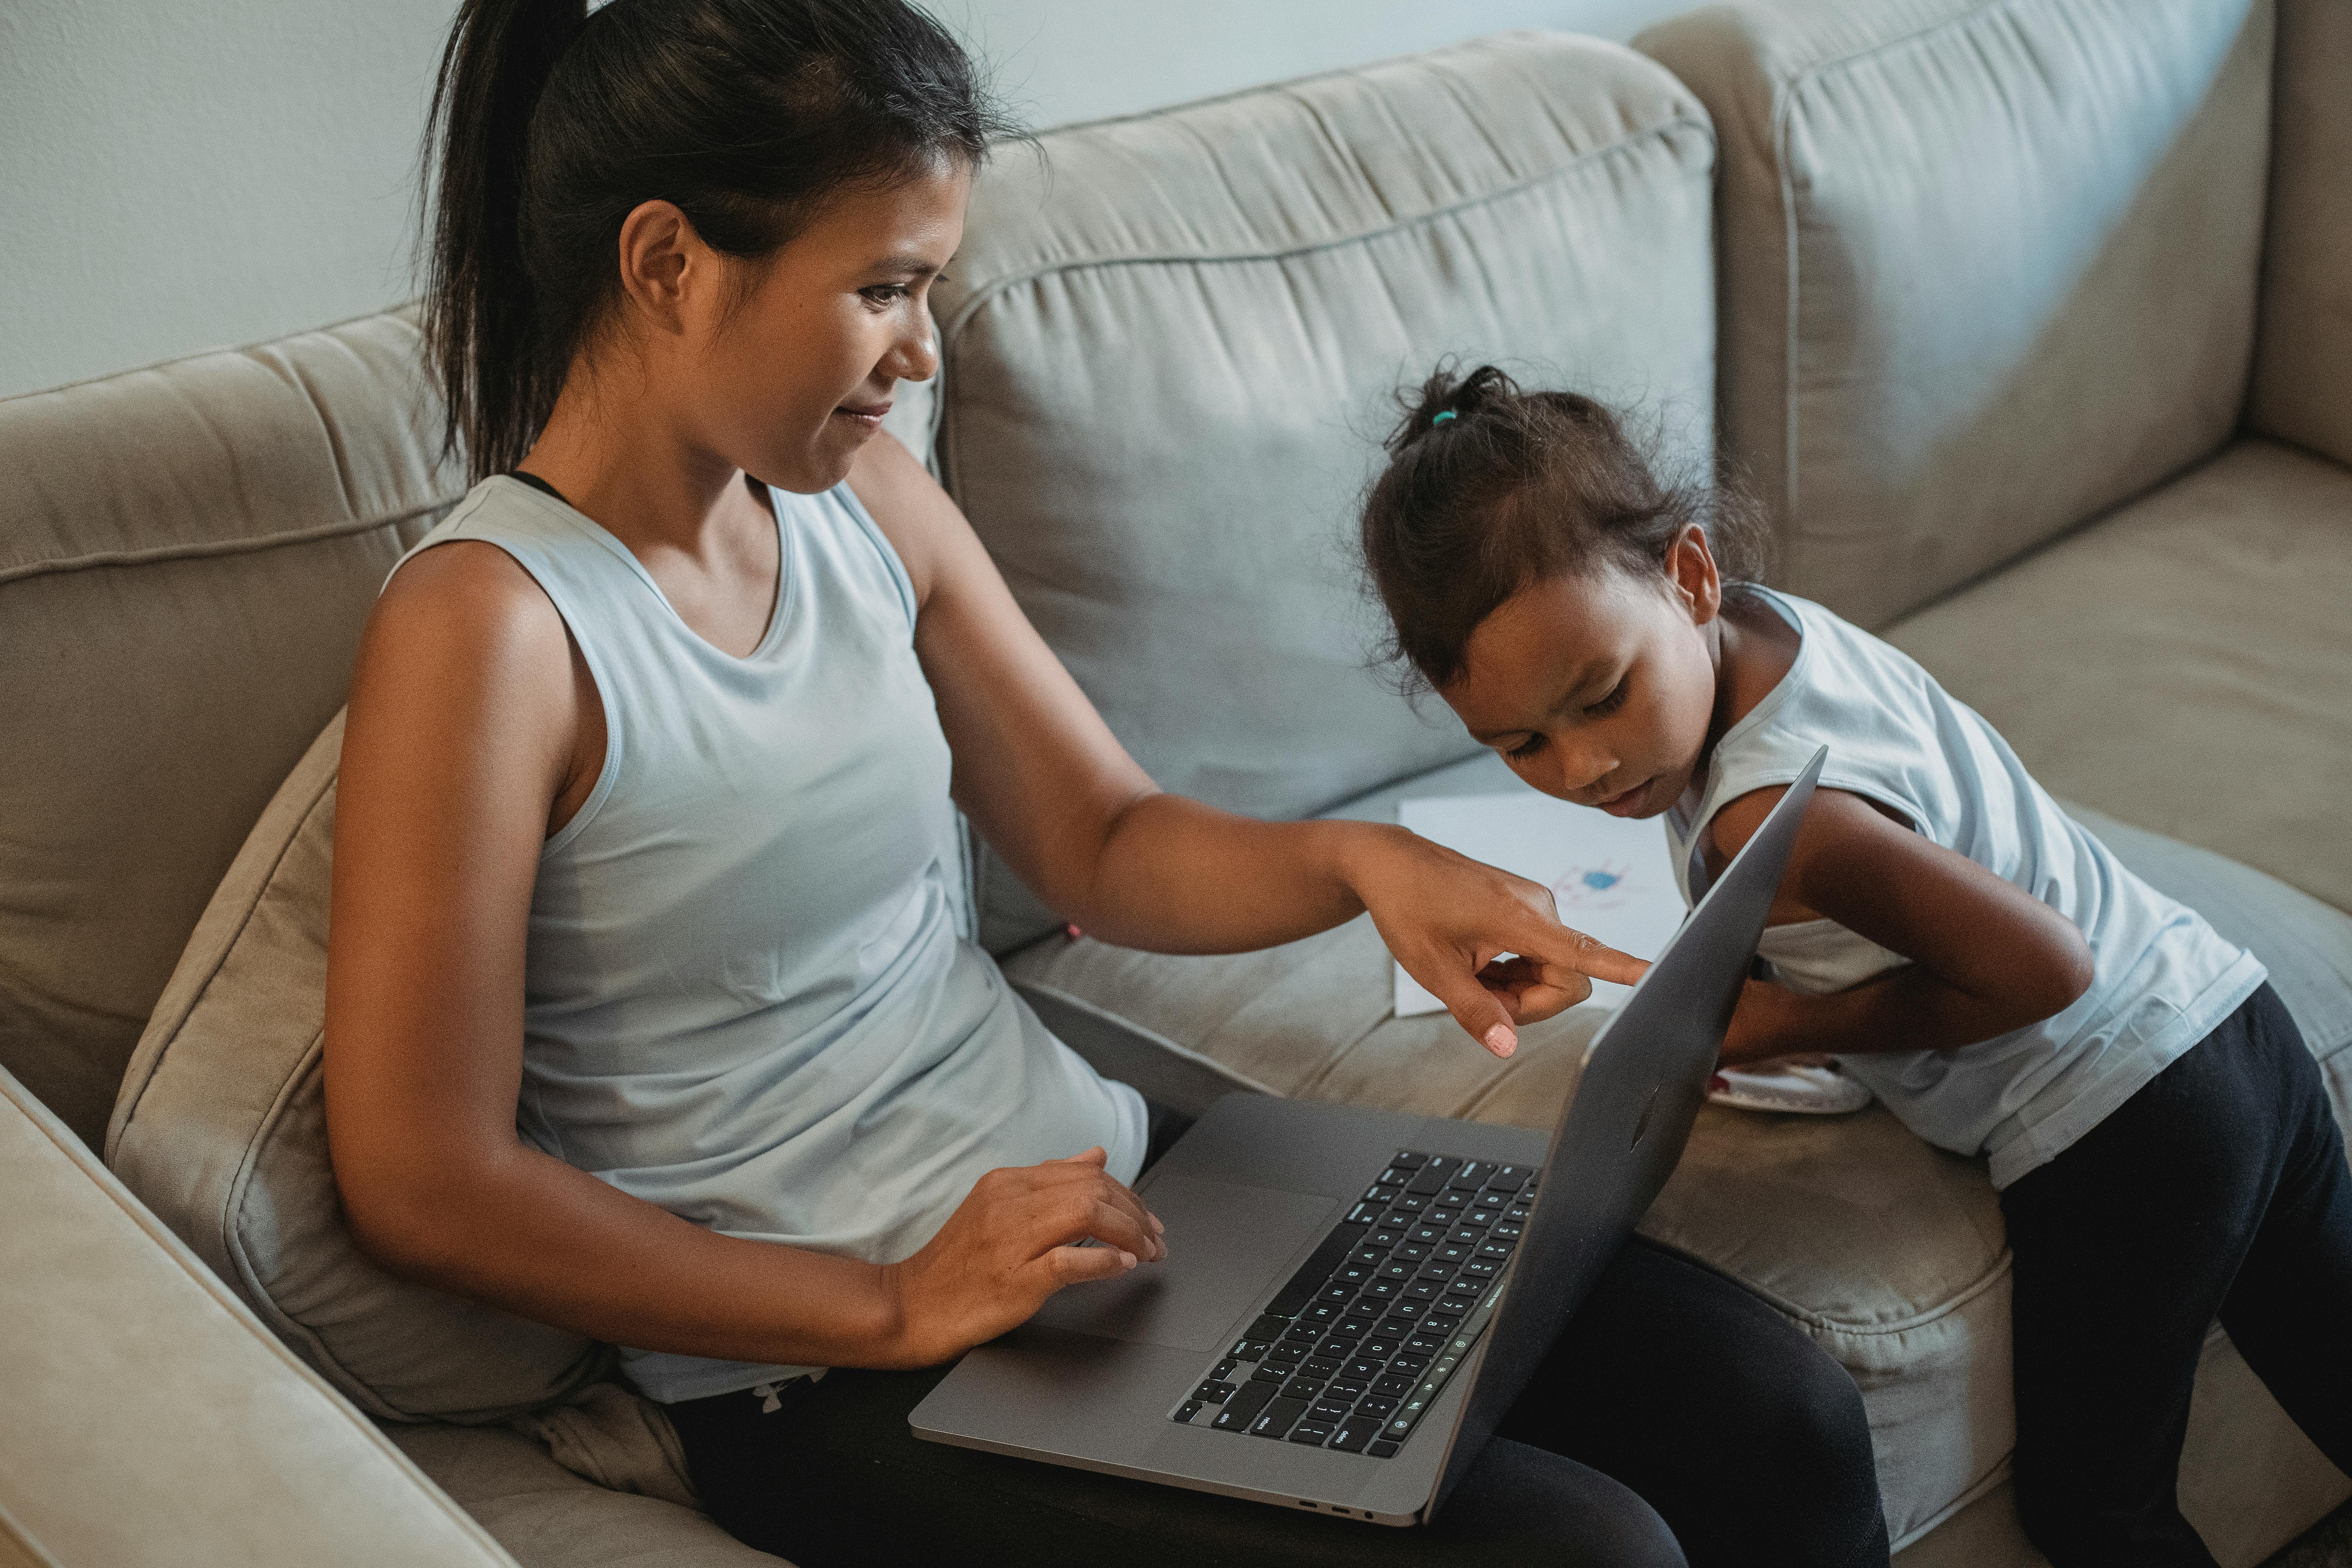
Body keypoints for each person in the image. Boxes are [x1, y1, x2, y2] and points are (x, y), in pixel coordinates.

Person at [323, 4, 1889, 1564]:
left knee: (1782, 1407)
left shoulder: (862, 494)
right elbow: (424, 1177)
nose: (922, 350)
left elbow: (1099, 836)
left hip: (1110, 1189)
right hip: (831, 1367)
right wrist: (890, 1299)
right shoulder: (492, 631)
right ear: (666, 264)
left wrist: (1359, 863)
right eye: (884, 288)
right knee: (1588, 1553)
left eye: (928, 286)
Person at [1357, 363, 2352, 1568]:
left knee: (2097, 1513)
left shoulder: (1767, 821)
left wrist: (1784, 1026)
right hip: (2232, 1020)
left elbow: (2048, 972)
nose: (1582, 770)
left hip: (2127, 1121)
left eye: (1602, 697)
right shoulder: (1767, 632)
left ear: (1687, 575)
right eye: (1519, 744)